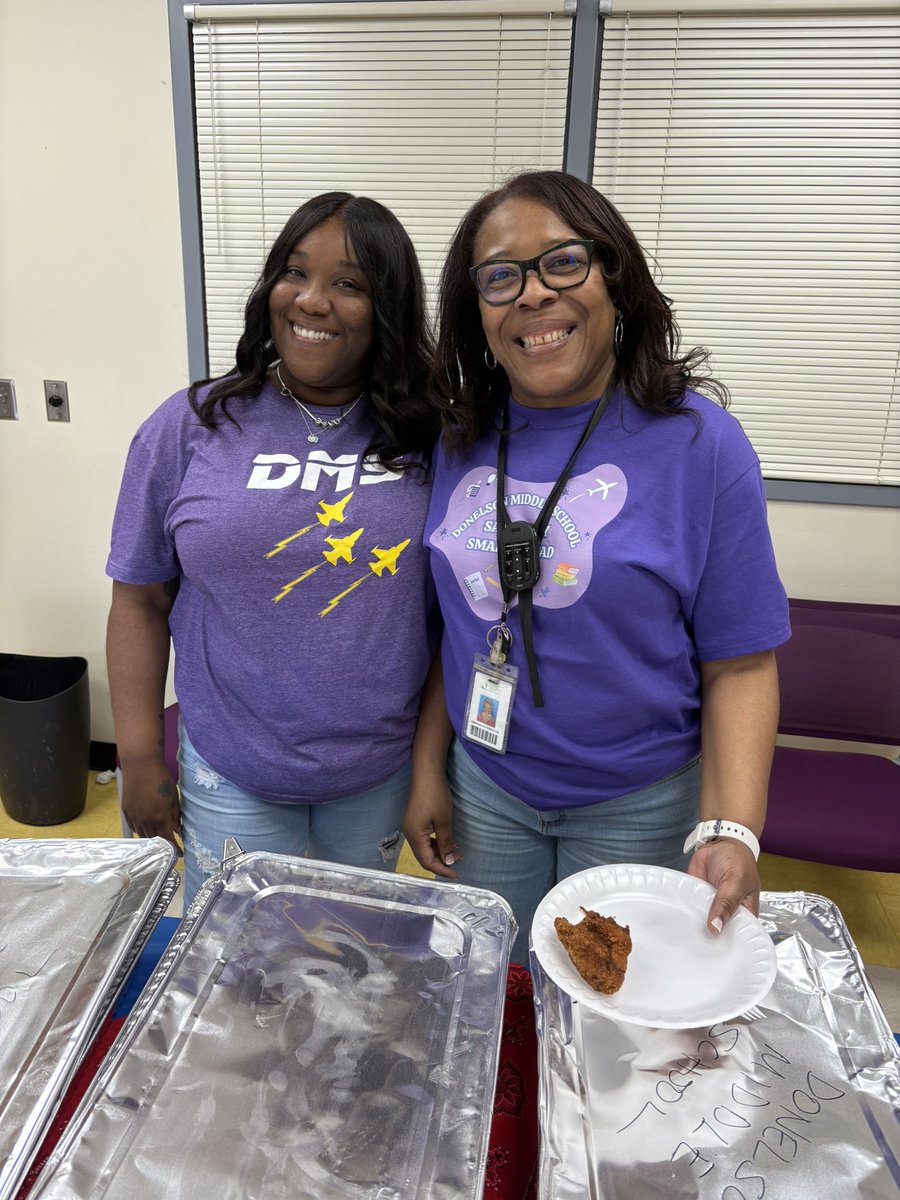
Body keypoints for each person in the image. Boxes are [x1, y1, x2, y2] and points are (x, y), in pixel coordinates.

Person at [404, 170, 790, 966]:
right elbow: (455, 629)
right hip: (488, 790)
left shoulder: (699, 444)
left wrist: (731, 828)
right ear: (477, 311)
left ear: (614, 277)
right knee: (497, 1000)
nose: (534, 295)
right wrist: (428, 770)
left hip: (639, 807)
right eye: (501, 276)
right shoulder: (458, 438)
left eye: (564, 263)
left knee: (617, 1020)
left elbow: (742, 662)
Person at [107, 192, 439, 906]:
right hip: (230, 768)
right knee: (234, 964)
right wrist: (137, 758)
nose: (312, 301)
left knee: (347, 954)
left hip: (376, 772)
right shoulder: (190, 425)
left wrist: (431, 768)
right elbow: (139, 597)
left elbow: (453, 622)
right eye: (295, 272)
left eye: (349, 284)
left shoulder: (432, 438)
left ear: (390, 308)